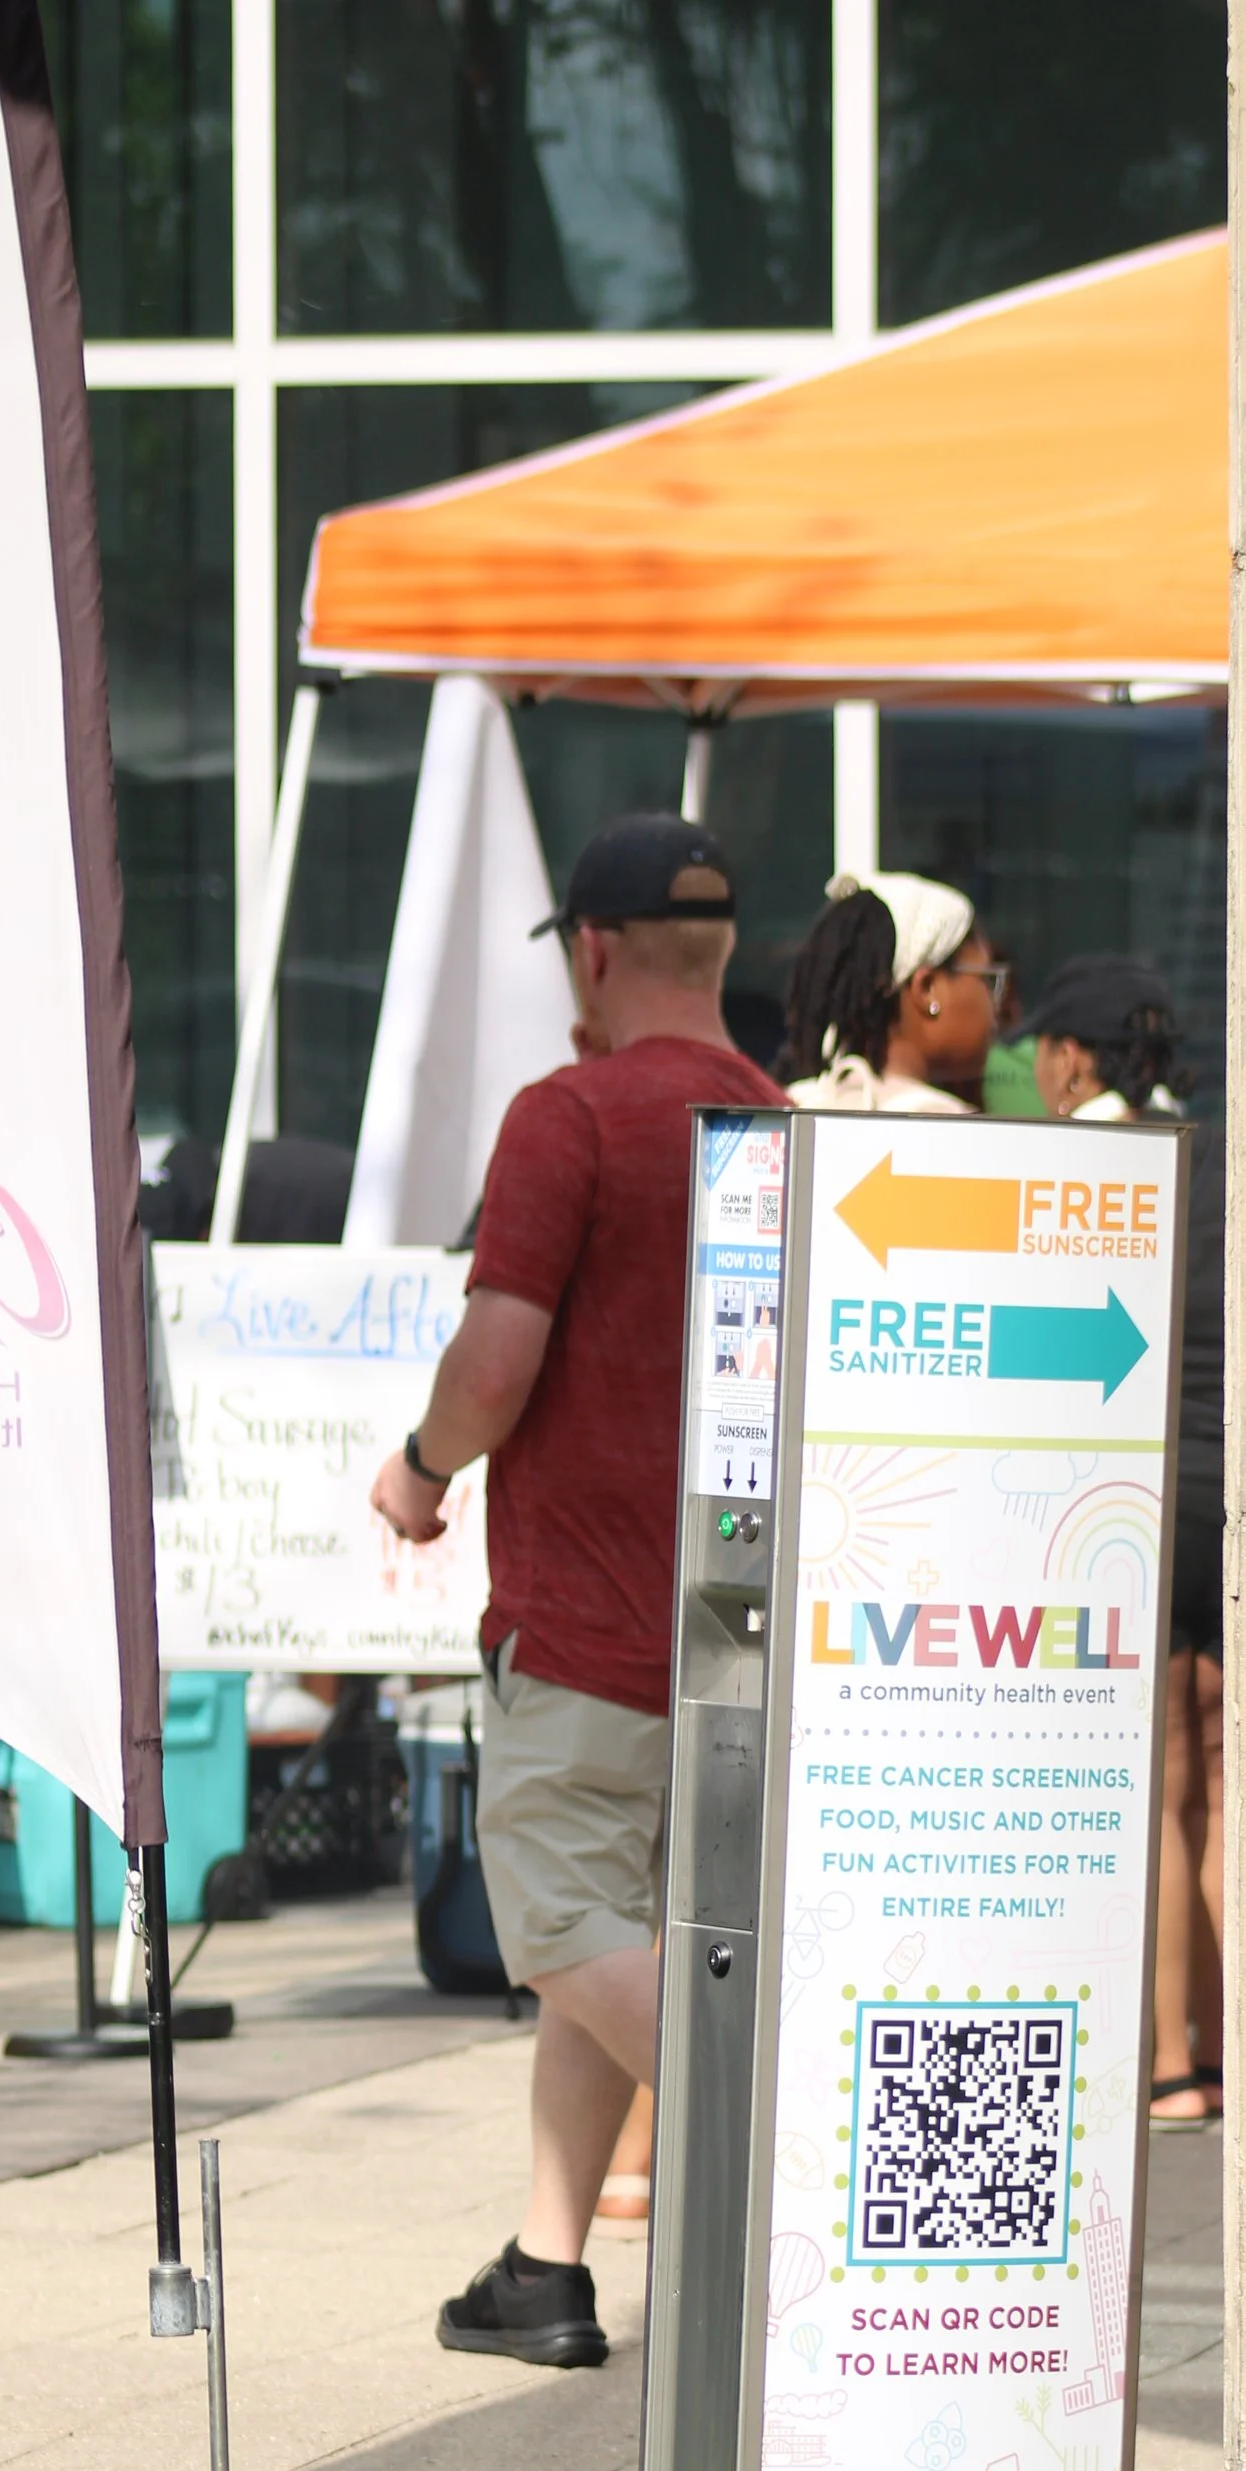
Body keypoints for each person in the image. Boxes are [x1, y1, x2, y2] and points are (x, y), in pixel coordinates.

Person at [369, 814, 778, 2365]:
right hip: (737, 1633)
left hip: (591, 1629)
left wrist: (420, 1464)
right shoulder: (780, 1122)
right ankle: (544, 2265)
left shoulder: (571, 1117)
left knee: (551, 1917)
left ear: (592, 951)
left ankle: (790, 2136)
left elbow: (494, 1362)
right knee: (625, 1920)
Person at [1020, 956, 1224, 2129]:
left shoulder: (1078, 1165)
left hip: (1130, 1498)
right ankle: (1224, 2047)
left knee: (1151, 1788)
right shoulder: (1217, 1158)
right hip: (1223, 1497)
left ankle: (1160, 2067)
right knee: (1215, 1773)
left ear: (1071, 1058)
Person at [779, 872, 1007, 1111]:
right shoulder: (952, 1129)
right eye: (988, 979)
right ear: (927, 988)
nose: (997, 1003)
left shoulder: (796, 1105)